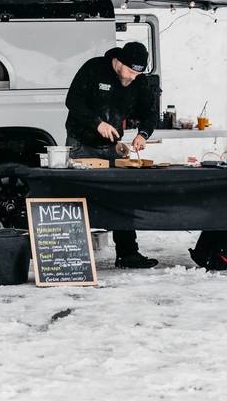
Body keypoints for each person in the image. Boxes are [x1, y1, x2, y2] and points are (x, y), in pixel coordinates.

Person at [64, 41, 161, 269]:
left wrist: (143, 134)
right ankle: (70, 252)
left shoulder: (139, 81)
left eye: (137, 73)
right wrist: (97, 124)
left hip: (111, 147)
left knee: (121, 197)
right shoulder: (94, 69)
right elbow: (73, 101)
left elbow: (150, 112)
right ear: (118, 62)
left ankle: (128, 253)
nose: (132, 77)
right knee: (77, 197)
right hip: (81, 143)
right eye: (129, 71)